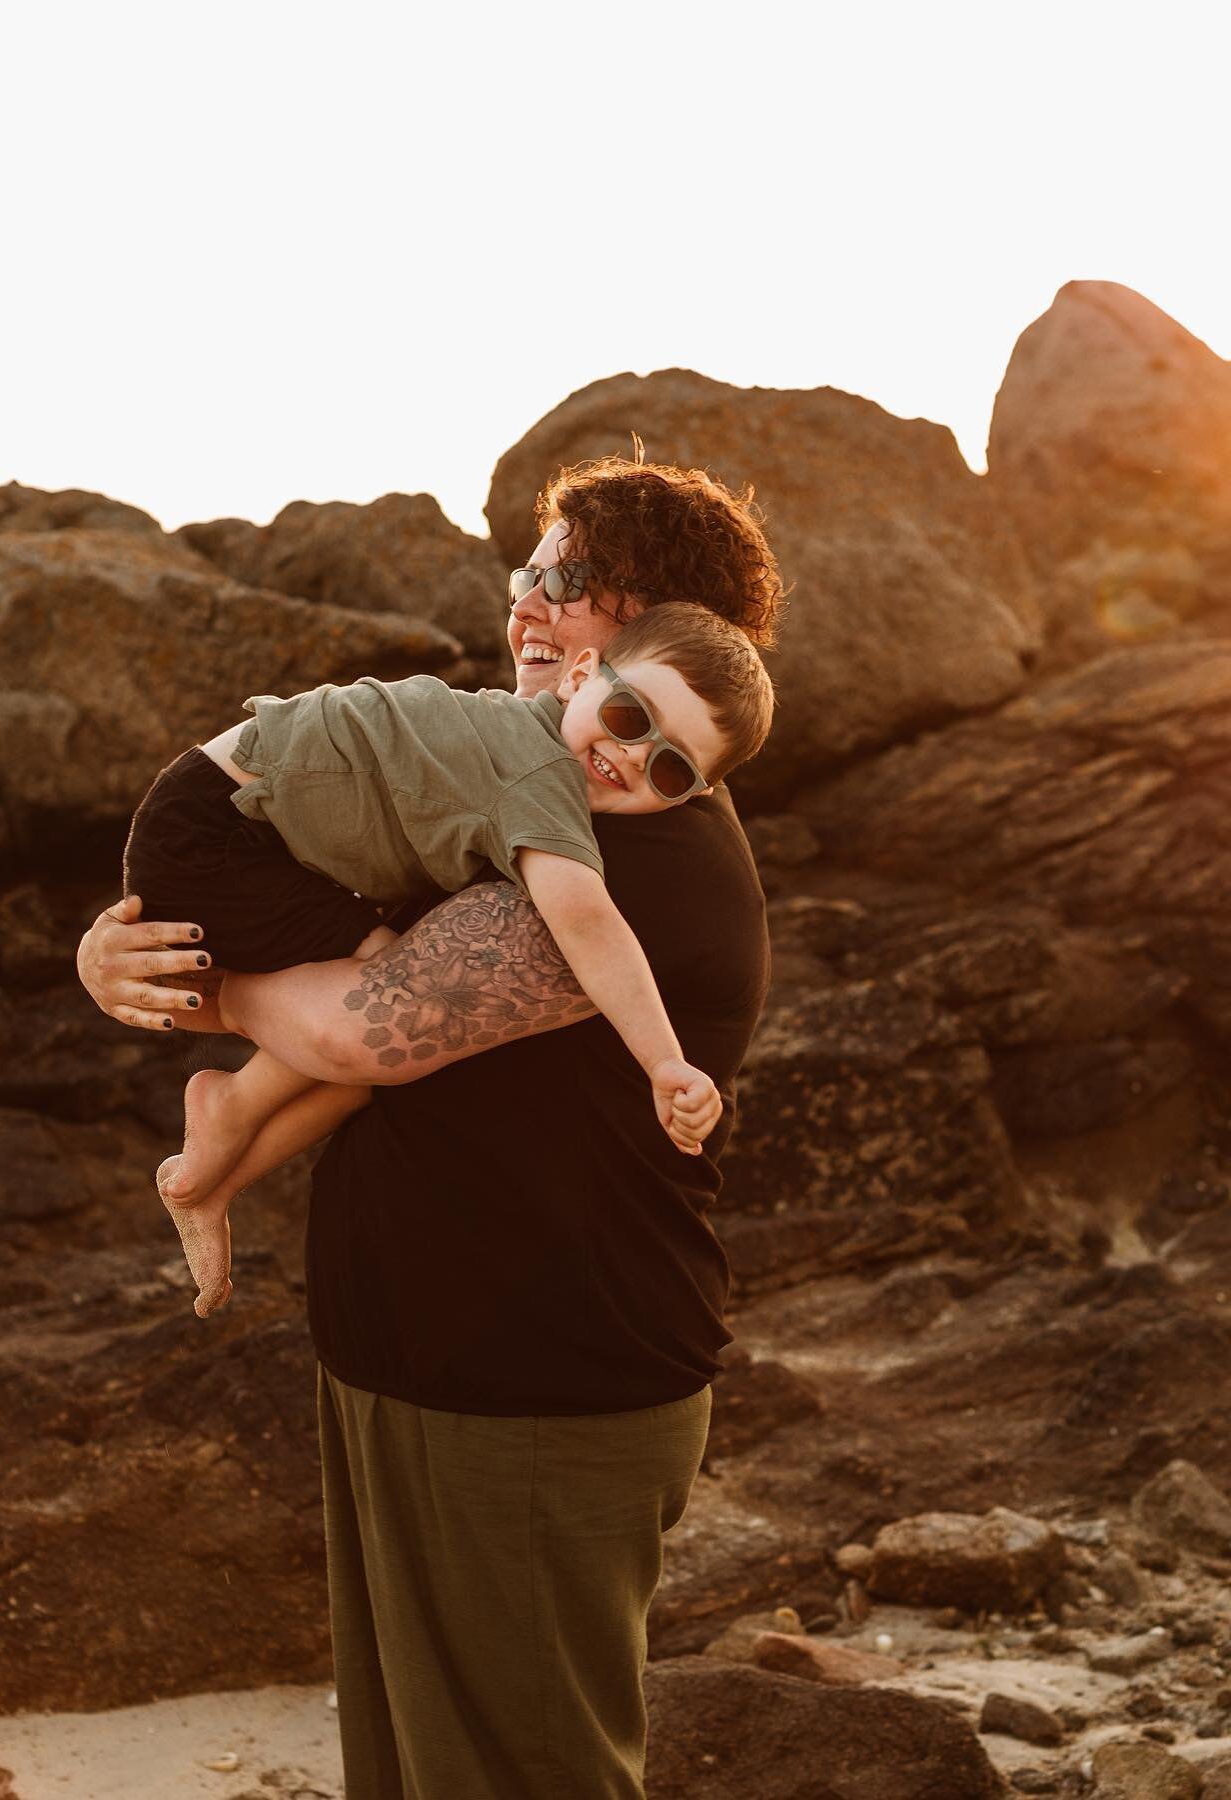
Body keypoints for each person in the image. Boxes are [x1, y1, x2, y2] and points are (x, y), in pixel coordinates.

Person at [78, 455, 781, 1799]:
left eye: (572, 581)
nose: (528, 600)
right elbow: (291, 891)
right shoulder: (532, 790)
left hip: (533, 1394)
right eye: (535, 565)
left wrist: (195, 991)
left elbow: (356, 1023)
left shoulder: (631, 853)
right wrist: (118, 963)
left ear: (656, 635)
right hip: (424, 1369)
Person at [124, 602, 771, 1317]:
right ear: (582, 676)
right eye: (628, 716)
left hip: (241, 825)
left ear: (698, 793)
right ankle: (226, 1111)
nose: (634, 755)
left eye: (673, 770)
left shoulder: (527, 747)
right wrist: (664, 1062)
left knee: (398, 1030)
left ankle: (211, 1172)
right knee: (384, 1001)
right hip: (223, 834)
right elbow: (588, 924)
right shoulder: (540, 778)